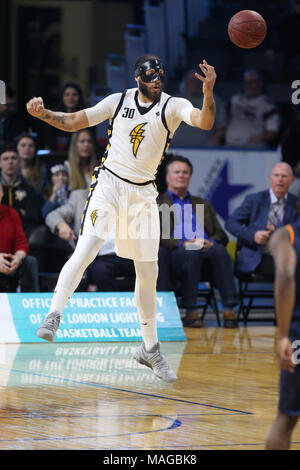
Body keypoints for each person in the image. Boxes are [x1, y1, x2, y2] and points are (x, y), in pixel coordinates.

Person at [26, 53, 217, 383]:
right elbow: (73, 122)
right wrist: (43, 114)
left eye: (160, 76)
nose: (157, 81)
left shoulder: (172, 106)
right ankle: (54, 314)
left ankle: (149, 348)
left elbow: (204, 122)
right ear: (137, 78)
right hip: (109, 184)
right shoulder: (118, 100)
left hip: (143, 194)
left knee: (148, 271)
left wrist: (209, 91)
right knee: (87, 247)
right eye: (151, 76)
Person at [157, 155, 239, 328]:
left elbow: (221, 234)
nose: (181, 175)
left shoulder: (202, 203)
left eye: (185, 172)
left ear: (190, 176)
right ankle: (191, 310)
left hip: (205, 251)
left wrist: (210, 241)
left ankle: (229, 308)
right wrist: (184, 243)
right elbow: (160, 237)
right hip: (176, 255)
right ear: (167, 177)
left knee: (219, 250)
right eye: (177, 172)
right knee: (191, 250)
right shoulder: (159, 203)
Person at [45, 188, 135, 291]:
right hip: (100, 258)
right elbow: (52, 215)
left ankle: (156, 301)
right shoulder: (80, 196)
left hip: (130, 255)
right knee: (99, 270)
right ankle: (113, 304)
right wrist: (61, 225)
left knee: (155, 258)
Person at [225, 162, 298, 280]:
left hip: (287, 255)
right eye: (276, 175)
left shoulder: (296, 204)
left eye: (284, 176)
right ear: (270, 178)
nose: (280, 179)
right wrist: (253, 235)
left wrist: (279, 231)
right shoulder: (255, 200)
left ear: (292, 180)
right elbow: (230, 223)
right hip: (259, 256)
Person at [265, 221, 300, 450]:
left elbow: (286, 273)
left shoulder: (287, 234)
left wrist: (284, 335)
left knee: (286, 418)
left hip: (298, 335)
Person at [224, 69, 280, 148]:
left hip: (254, 149)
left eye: (252, 81)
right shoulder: (234, 99)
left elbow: (272, 132)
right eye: (246, 82)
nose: (249, 85)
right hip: (230, 147)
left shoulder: (267, 104)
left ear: (260, 83)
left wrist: (260, 138)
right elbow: (221, 120)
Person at [0, 181, 39, 292]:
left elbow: (21, 243)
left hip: (9, 265)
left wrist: (18, 257)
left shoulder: (11, 214)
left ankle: (30, 305)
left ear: (2, 193)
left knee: (30, 262)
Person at [171, 68, 226, 147]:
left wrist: (215, 140)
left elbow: (221, 126)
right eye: (192, 82)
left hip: (205, 149)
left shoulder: (213, 99)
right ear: (185, 83)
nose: (195, 85)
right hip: (175, 148)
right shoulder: (174, 100)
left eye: (198, 82)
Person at [0, 144, 45, 238]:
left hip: (22, 237)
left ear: (19, 162)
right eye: (6, 159)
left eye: (13, 158)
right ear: (0, 163)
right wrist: (20, 212)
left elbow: (34, 219)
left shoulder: (29, 190)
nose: (10, 162)